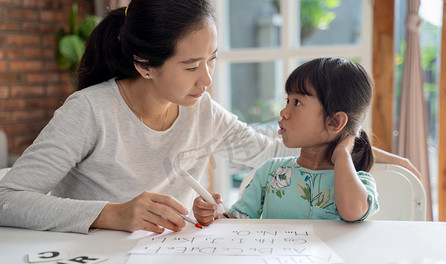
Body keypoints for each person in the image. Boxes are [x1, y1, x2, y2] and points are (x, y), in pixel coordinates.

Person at [0, 0, 416, 235]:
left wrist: (357, 145)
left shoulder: (201, 110)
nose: (207, 81)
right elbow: (8, 200)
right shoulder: (89, 111)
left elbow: (281, 148)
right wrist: (111, 213)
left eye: (213, 60)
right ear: (145, 65)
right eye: (191, 65)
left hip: (171, 263)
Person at [193, 58, 380, 224]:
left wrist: (342, 155)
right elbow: (237, 221)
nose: (283, 112)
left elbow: (351, 210)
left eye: (297, 102)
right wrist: (213, 215)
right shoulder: (270, 172)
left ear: (334, 122)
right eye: (287, 101)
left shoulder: (361, 182)